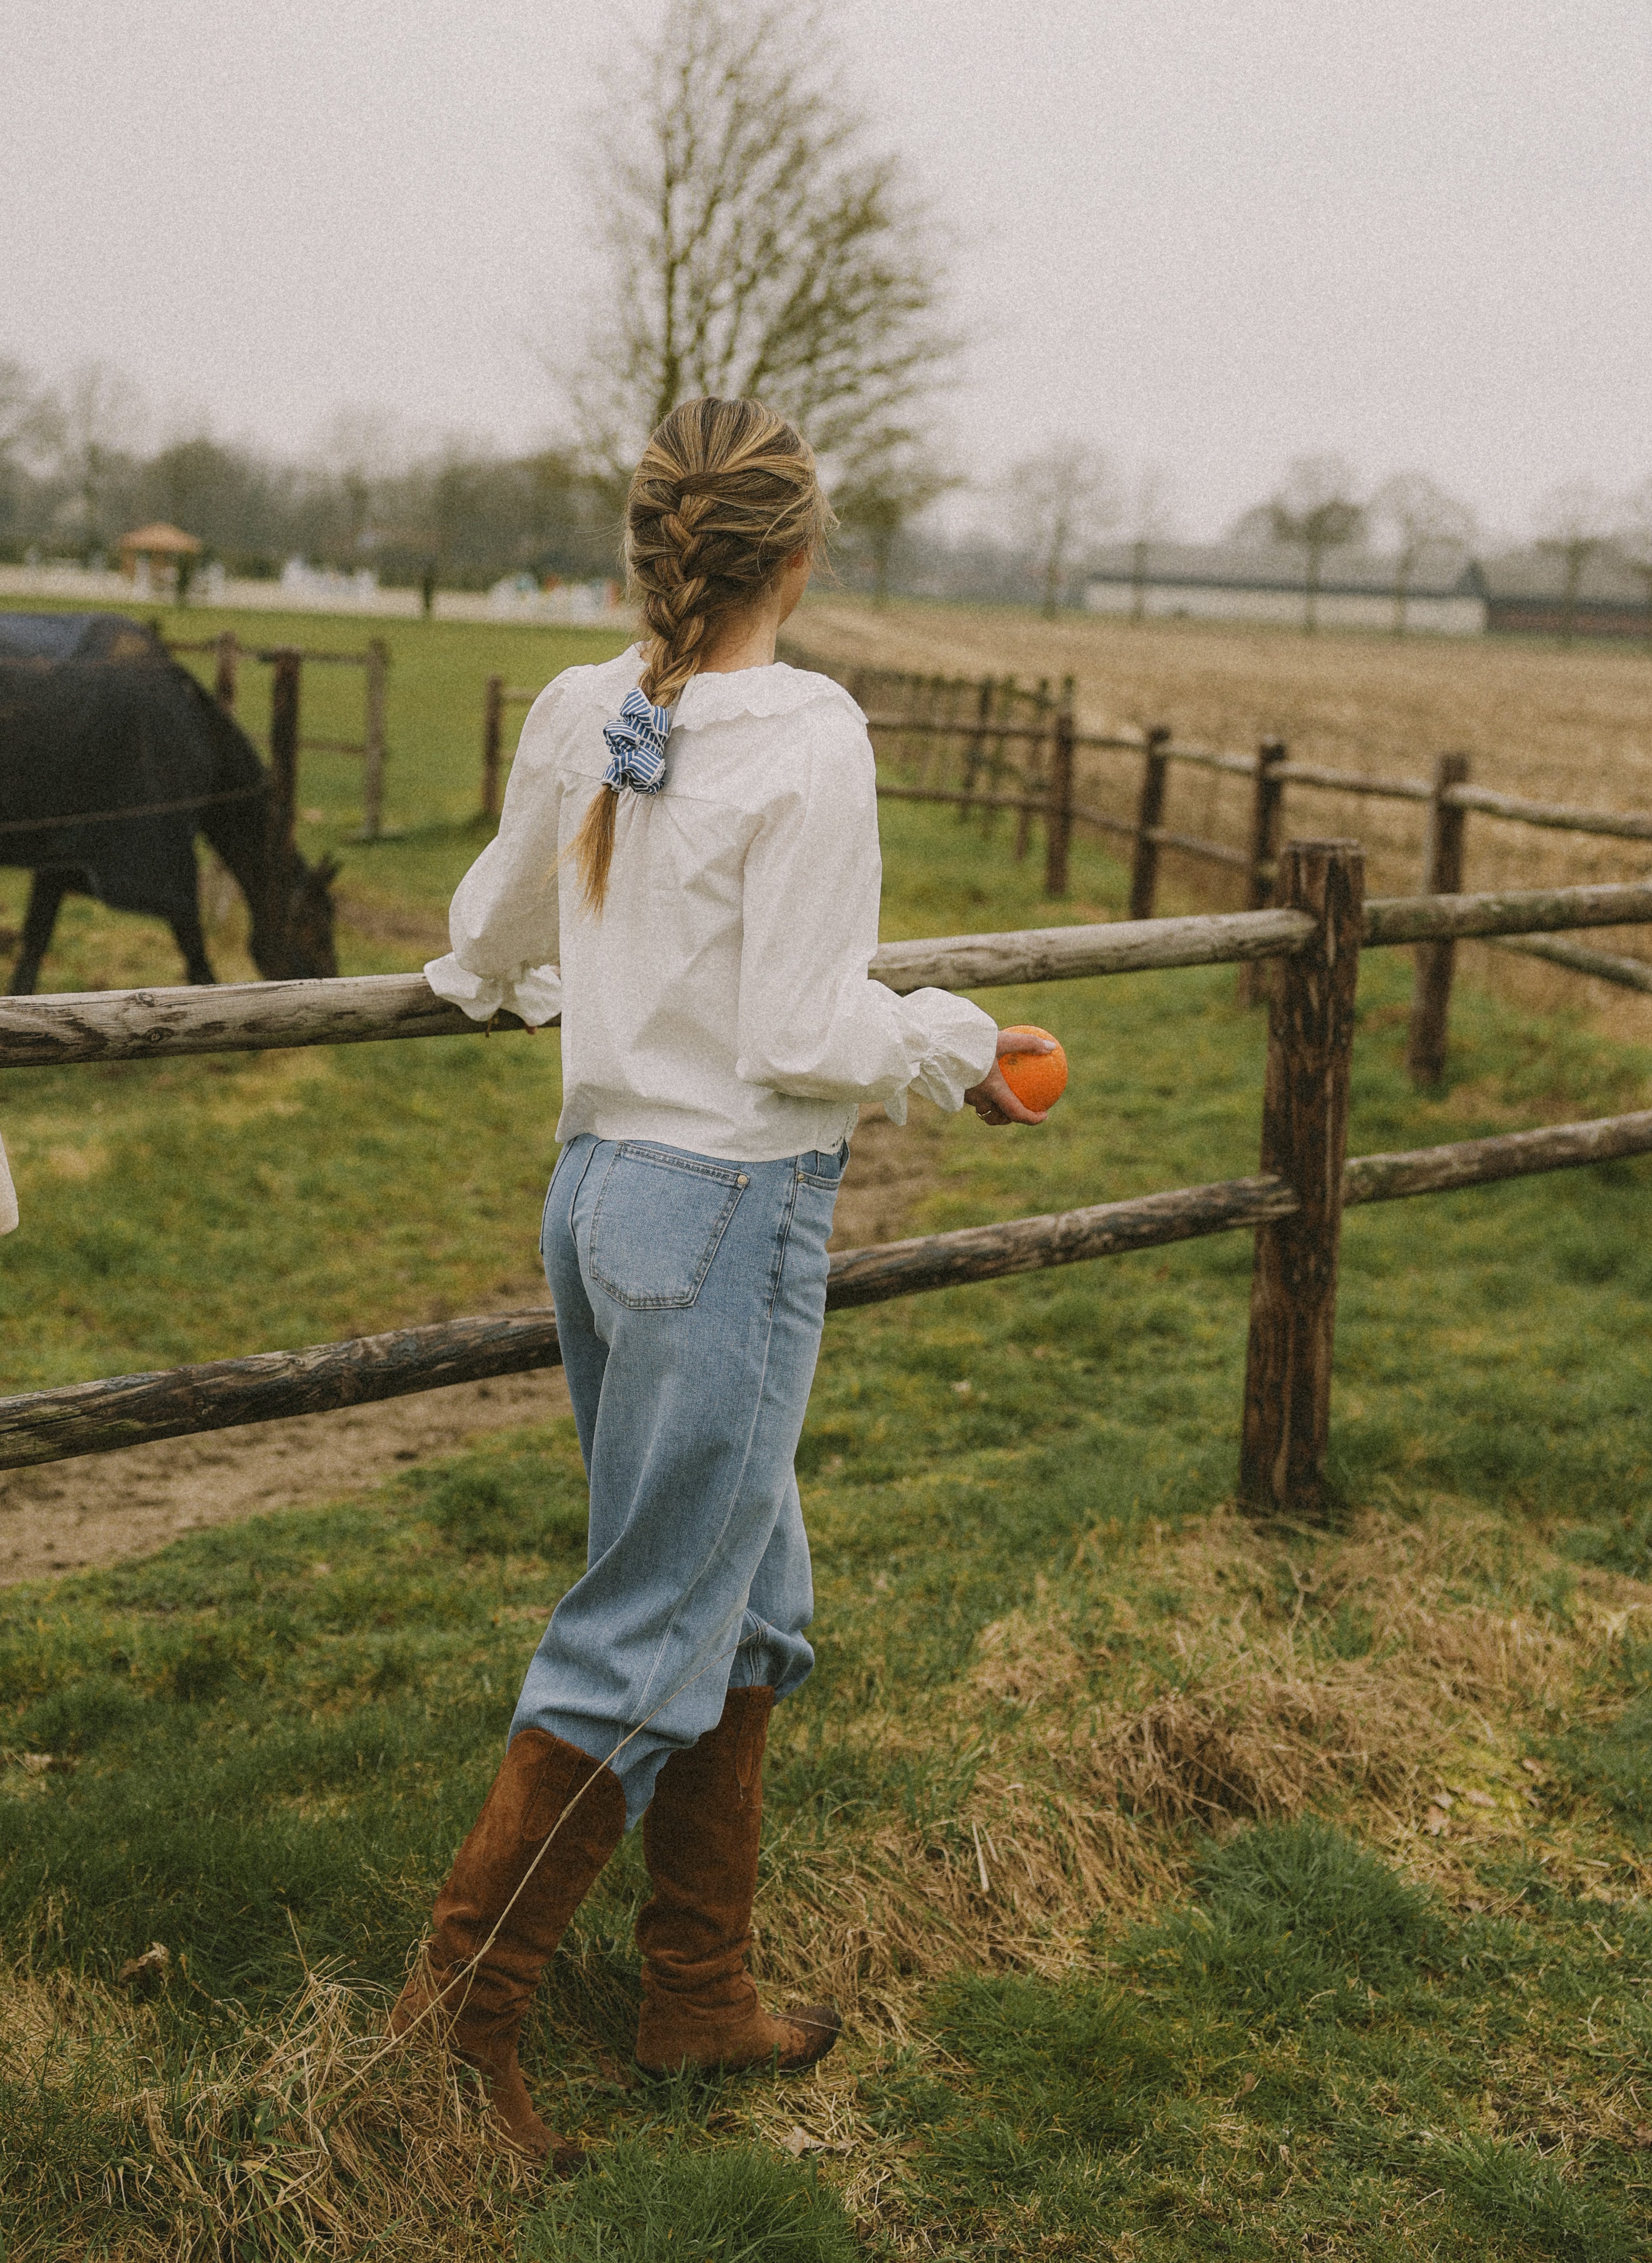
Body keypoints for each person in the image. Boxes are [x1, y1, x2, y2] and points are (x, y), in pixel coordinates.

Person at [394, 395, 1058, 2165]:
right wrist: (952, 1039)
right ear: (802, 552)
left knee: (748, 1603)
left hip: (604, 1202)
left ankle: (695, 1991)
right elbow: (797, 1029)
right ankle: (447, 2044)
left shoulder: (588, 711)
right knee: (646, 1632)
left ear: (654, 552)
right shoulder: (811, 736)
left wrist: (582, 998)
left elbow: (486, 941)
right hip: (726, 1220)